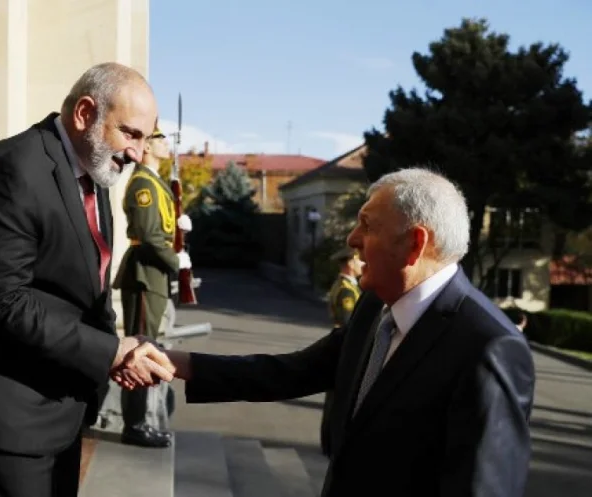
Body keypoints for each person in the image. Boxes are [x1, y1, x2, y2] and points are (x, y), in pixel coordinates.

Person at [122, 167, 536, 497]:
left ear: (413, 244)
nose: (352, 240)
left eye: (367, 226)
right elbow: (293, 371)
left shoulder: (488, 347)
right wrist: (174, 362)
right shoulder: (376, 305)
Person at [0, 62, 174, 497]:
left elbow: (88, 287)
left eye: (146, 138)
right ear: (84, 113)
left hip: (60, 403)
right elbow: (2, 301)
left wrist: (113, 354)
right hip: (6, 413)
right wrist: (111, 351)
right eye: (130, 134)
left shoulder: (94, 172)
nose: (137, 152)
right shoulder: (13, 169)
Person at [112, 125, 192, 447]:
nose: (165, 143)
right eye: (159, 138)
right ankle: (135, 425)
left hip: (154, 276)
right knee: (141, 350)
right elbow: (147, 237)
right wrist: (176, 261)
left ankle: (142, 421)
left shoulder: (157, 183)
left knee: (151, 346)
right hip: (145, 276)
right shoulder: (143, 184)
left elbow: (162, 230)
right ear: (146, 147)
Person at [320, 247, 362, 456]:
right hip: (344, 345)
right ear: (349, 263)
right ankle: (330, 442)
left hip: (340, 342)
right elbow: (348, 322)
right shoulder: (346, 289)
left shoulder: (348, 285)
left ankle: (329, 441)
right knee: (337, 397)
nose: (362, 264)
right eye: (358, 260)